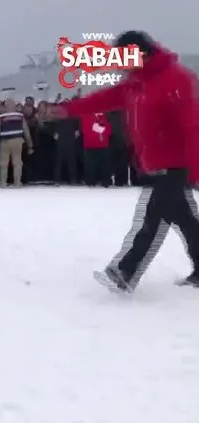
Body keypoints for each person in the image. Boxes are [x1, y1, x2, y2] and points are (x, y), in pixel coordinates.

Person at [51, 31, 199, 293]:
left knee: (152, 219)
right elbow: (106, 98)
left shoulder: (177, 79)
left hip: (176, 163)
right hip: (154, 162)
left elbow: (192, 126)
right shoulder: (136, 82)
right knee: (185, 219)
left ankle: (125, 272)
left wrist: (195, 167)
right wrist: (70, 109)